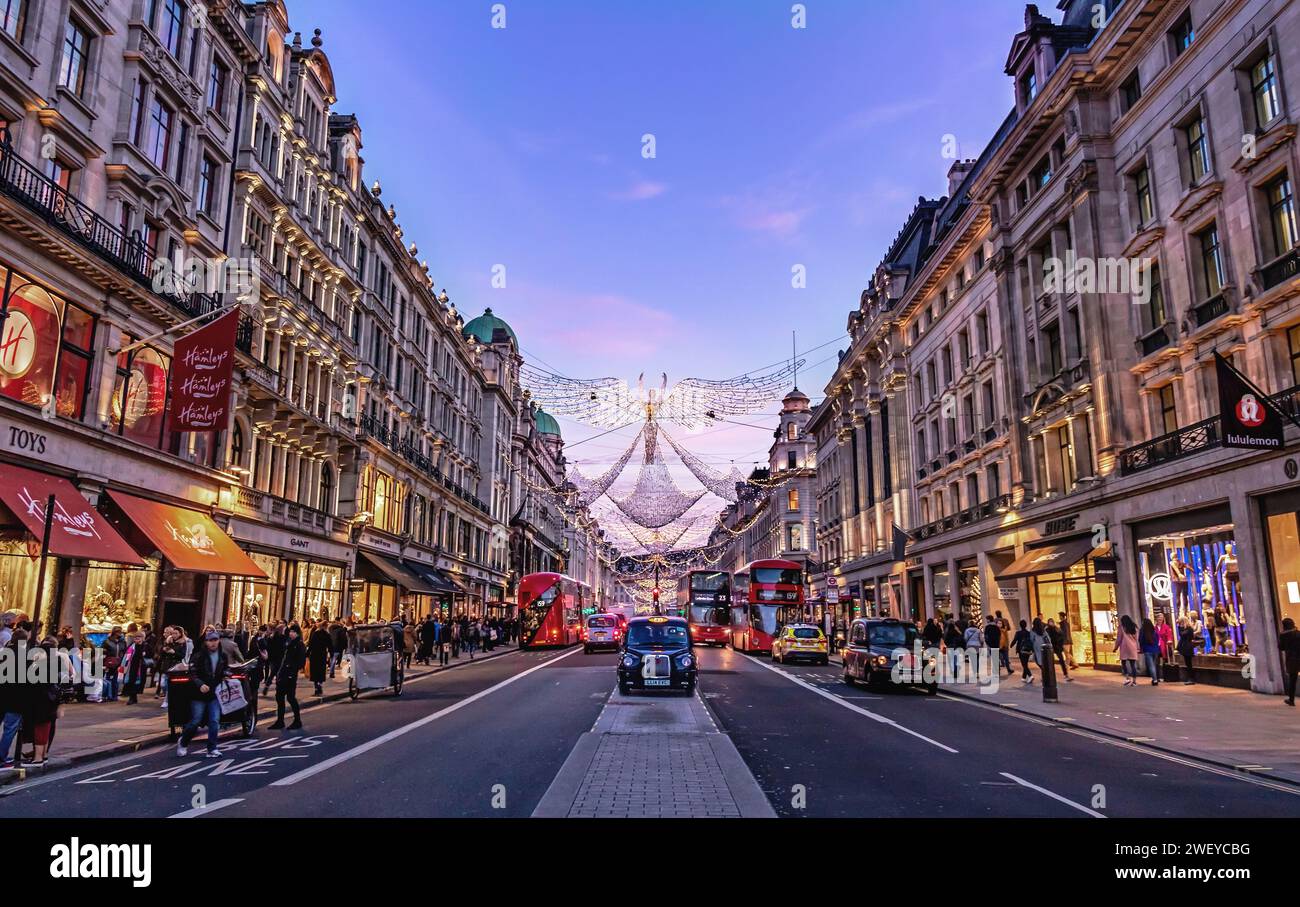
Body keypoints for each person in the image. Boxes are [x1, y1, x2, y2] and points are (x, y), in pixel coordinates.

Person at [177, 631, 229, 758]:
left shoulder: (223, 656)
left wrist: (226, 676)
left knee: (214, 721)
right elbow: (192, 673)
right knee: (196, 721)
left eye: (215, 640)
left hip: (214, 693)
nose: (213, 643)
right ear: (205, 642)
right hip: (198, 694)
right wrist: (200, 684)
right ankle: (183, 742)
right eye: (210, 640)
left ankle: (212, 748)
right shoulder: (198, 656)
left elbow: (224, 670)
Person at [270, 624, 306, 730]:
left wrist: (291, 670)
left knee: (291, 698)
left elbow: (300, 662)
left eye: (293, 632)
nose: (290, 633)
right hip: (283, 673)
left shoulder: (299, 645)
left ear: (297, 633)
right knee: (279, 697)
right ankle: (280, 720)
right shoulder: (288, 642)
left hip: (290, 674)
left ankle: (297, 720)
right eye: (290, 631)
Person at [119, 631, 149, 705]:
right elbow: (126, 656)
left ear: (143, 638)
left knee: (136, 683)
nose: (136, 639)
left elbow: (149, 654)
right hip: (131, 667)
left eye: (138, 638)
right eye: (135, 638)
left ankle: (133, 698)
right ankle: (132, 698)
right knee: (131, 682)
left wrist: (144, 653)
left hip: (141, 667)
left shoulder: (145, 646)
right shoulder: (132, 646)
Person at [100, 627, 127, 702]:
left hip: (119, 662)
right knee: (108, 679)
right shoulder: (107, 641)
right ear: (114, 632)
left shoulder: (122, 642)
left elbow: (124, 652)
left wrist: (123, 661)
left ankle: (114, 696)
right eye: (118, 632)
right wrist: (104, 662)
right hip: (109, 662)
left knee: (116, 679)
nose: (119, 633)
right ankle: (108, 695)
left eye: (120, 632)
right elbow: (102, 651)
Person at [1278, 617, 1300, 707]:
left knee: (1293, 680)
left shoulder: (1283, 635)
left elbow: (1281, 647)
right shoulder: (1298, 633)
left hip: (1291, 659)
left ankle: (1291, 699)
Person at [1115, 614, 1140, 686]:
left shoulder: (1121, 627)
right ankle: (1134, 681)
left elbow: (1119, 639)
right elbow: (1137, 639)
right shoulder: (1134, 627)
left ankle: (1127, 678)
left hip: (1124, 647)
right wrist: (1138, 648)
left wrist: (1116, 647)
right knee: (1133, 665)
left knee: (1124, 664)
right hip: (1133, 648)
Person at [307, 621, 330, 696]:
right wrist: (331, 653)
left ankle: (316, 687)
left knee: (314, 671)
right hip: (322, 654)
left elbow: (311, 644)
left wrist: (307, 653)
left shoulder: (315, 634)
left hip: (314, 654)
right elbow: (330, 645)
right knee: (320, 671)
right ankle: (319, 685)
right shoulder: (326, 634)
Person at [1139, 618, 1162, 686]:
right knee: (1154, 665)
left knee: (1151, 666)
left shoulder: (1143, 631)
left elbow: (1140, 640)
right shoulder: (1154, 631)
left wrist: (1142, 648)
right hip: (1156, 650)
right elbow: (1158, 639)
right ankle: (1155, 678)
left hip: (1147, 650)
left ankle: (1155, 680)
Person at [1011, 620, 1034, 684]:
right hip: (1027, 650)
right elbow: (1031, 641)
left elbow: (1015, 640)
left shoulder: (1018, 633)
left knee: (1024, 665)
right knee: (1025, 663)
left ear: (1020, 625)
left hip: (1021, 650)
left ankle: (1030, 675)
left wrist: (1011, 645)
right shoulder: (1028, 633)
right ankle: (1023, 678)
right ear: (1026, 625)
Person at [1176, 618, 1198, 685]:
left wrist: (1179, 627)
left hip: (1188, 648)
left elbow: (1182, 634)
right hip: (1186, 647)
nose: (1180, 624)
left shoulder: (1189, 629)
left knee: (1189, 664)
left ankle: (1191, 679)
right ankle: (1190, 678)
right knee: (1188, 663)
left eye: (1181, 623)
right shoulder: (1186, 629)